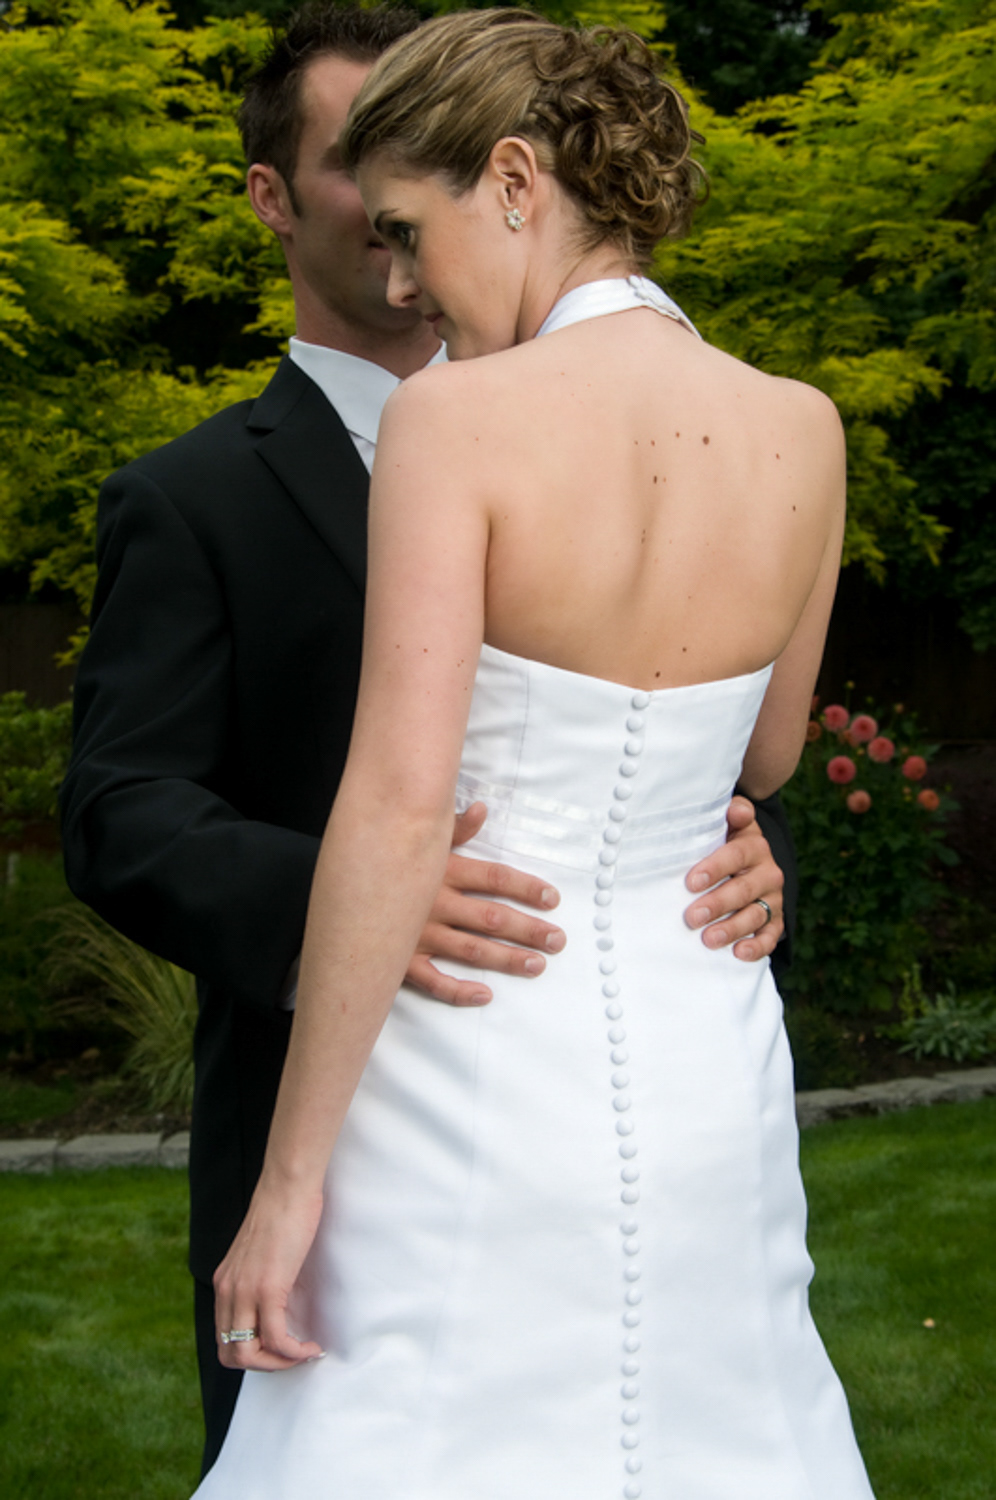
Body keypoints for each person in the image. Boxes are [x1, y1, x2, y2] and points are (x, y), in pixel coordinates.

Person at [57, 2, 791, 1480]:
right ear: (275, 195)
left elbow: (732, 773)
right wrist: (371, 903)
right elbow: (119, 810)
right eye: (358, 177)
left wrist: (733, 845)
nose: (398, 266)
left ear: (509, 174)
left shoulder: (469, 422)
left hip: (544, 1064)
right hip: (418, 1079)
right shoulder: (190, 498)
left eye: (410, 212)